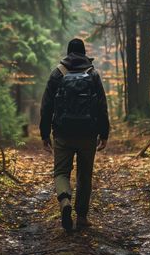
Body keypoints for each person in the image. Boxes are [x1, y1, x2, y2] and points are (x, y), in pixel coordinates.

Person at [39, 38, 110, 231]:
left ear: (68, 52)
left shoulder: (58, 73)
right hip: (88, 133)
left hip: (62, 133)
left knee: (61, 172)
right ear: (84, 52)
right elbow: (101, 106)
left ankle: (65, 203)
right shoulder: (92, 74)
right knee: (84, 175)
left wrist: (45, 134)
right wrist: (104, 134)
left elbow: (46, 107)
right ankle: (81, 217)